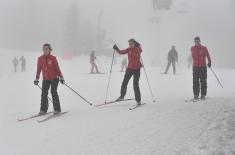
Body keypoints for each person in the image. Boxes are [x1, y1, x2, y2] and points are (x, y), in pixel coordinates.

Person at [34, 44, 65, 115]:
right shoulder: (40, 59)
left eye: (47, 49)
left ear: (50, 50)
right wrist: (36, 79)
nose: (45, 50)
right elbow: (38, 70)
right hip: (45, 79)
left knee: (53, 92)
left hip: (54, 78)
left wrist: (61, 77)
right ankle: (43, 110)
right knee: (44, 94)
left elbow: (57, 68)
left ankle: (57, 109)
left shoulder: (53, 58)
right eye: (44, 49)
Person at [113, 39, 142, 105]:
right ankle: (122, 96)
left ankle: (138, 100)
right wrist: (116, 48)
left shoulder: (138, 49)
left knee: (135, 84)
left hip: (137, 69)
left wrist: (136, 49)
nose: (130, 45)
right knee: (124, 82)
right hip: (129, 68)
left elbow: (137, 56)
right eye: (129, 44)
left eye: (131, 44)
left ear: (134, 43)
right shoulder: (129, 49)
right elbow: (121, 52)